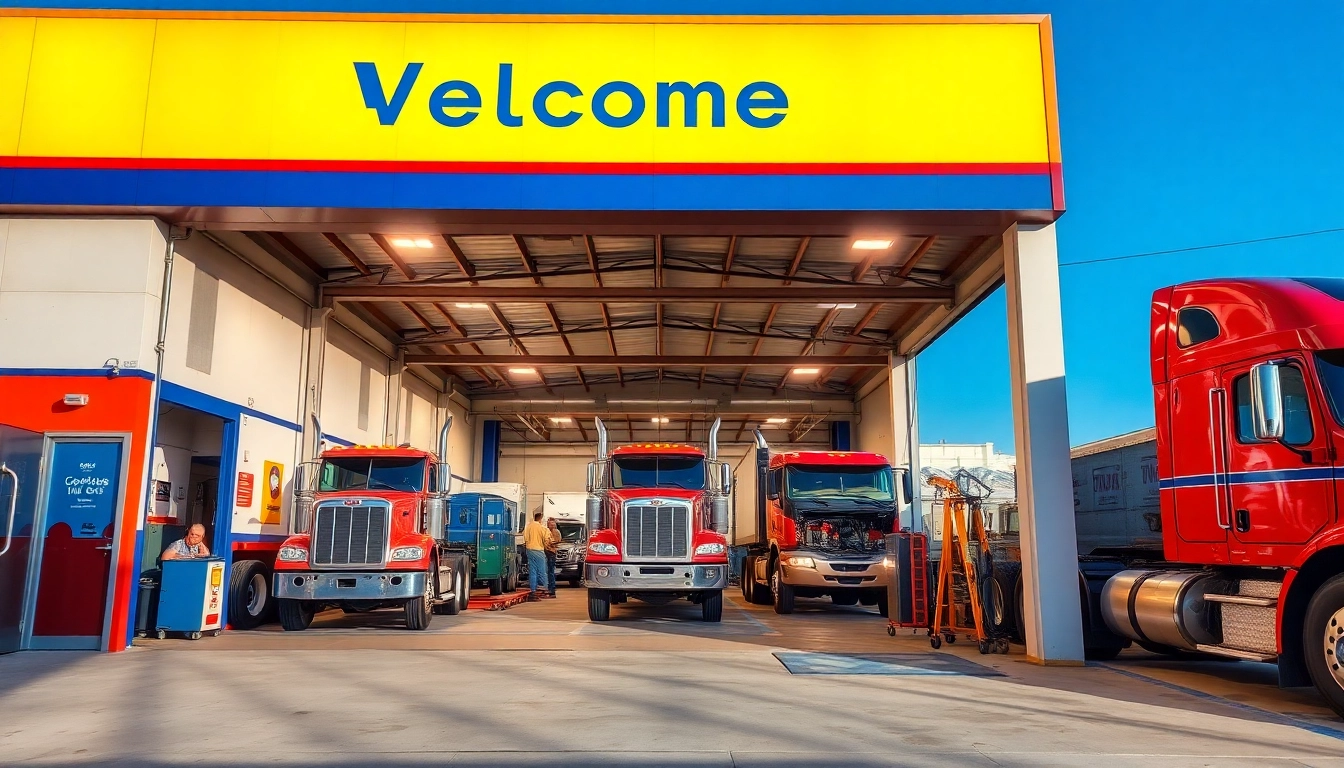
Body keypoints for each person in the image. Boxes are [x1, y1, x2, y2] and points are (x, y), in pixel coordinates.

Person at [522, 511, 552, 600]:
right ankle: (544, 590)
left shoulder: (528, 527)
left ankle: (533, 591)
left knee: (533, 571)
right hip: (539, 550)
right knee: (542, 571)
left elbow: (525, 539)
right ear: (541, 519)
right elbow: (547, 540)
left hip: (529, 550)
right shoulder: (542, 528)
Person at [544, 518, 562, 597]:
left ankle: (552, 589)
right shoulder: (546, 531)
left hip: (551, 553)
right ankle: (547, 588)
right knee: (546, 571)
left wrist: (549, 543)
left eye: (553, 524)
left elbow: (558, 540)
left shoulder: (556, 532)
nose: (552, 526)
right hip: (545, 552)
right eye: (550, 524)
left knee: (550, 571)